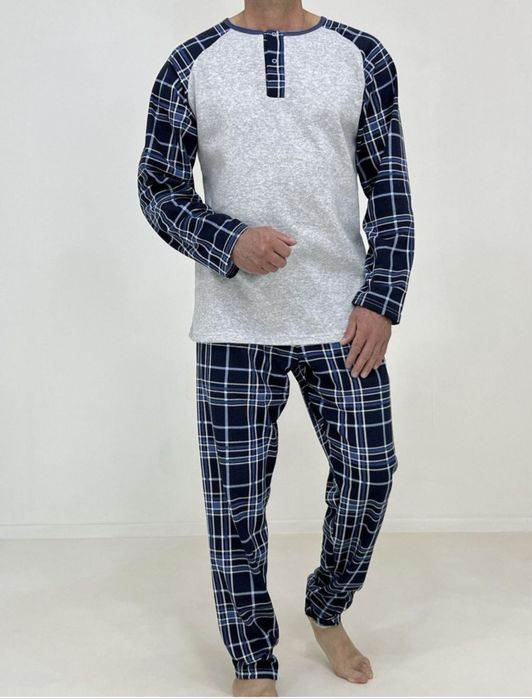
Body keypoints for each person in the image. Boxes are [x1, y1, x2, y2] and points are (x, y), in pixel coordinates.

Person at [137, 1, 414, 696]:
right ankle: (253, 659)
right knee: (235, 503)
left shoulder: (362, 56)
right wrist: (227, 239)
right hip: (233, 325)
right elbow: (158, 187)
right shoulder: (190, 64)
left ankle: (327, 608)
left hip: (342, 318)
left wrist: (382, 296)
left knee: (370, 472)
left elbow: (390, 190)